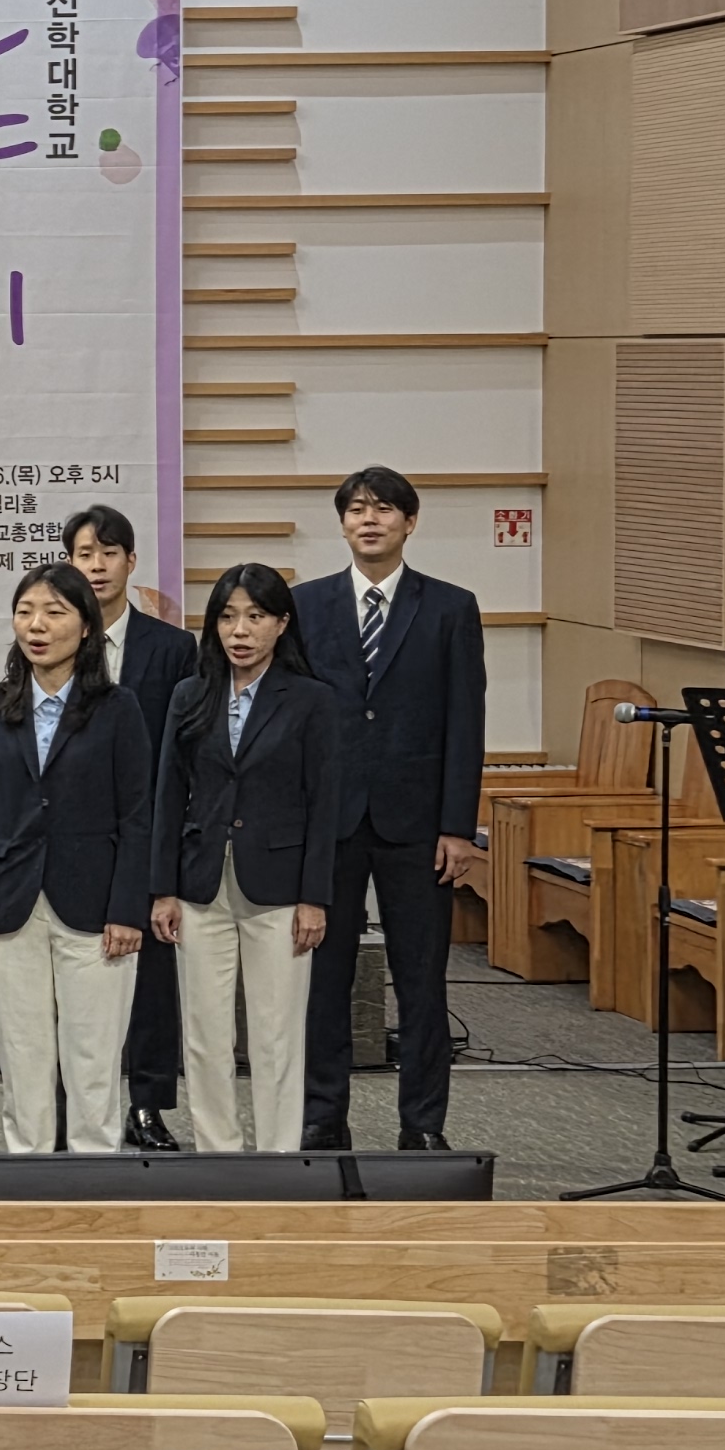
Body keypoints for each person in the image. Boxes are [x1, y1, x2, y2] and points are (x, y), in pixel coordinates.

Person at [290, 465, 487, 1152]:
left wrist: (458, 827)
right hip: (330, 824)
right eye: (356, 510)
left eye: (383, 510)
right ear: (342, 523)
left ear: (410, 520)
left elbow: (466, 721)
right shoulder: (305, 605)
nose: (369, 520)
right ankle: (322, 1118)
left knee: (422, 982)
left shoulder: (450, 607)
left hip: (418, 826)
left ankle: (424, 1125)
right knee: (323, 980)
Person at [0, 560, 151, 1157]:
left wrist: (127, 909)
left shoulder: (118, 709)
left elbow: (138, 816)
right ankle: (28, 1176)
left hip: (95, 906)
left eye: (55, 612)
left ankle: (95, 1177)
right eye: (26, 612)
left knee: (93, 1055)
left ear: (86, 627)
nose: (37, 626)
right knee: (23, 1052)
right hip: (8, 902)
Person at [151, 564, 344, 1157]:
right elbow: (167, 794)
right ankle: (218, 1155)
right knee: (206, 1035)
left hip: (281, 888)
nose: (240, 631)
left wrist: (315, 897)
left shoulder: (312, 701)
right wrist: (163, 889)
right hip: (201, 883)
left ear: (281, 624)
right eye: (228, 617)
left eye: (255, 617)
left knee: (275, 1034)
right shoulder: (191, 693)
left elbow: (325, 805)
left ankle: (280, 1157)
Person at [67, 503, 202, 1151]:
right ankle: (74, 1106)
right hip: (71, 841)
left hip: (147, 833)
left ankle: (147, 1105)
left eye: (108, 553)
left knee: (150, 982)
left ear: (132, 563)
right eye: (84, 554)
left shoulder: (173, 649)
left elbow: (186, 757)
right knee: (72, 985)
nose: (96, 565)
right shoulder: (50, 640)